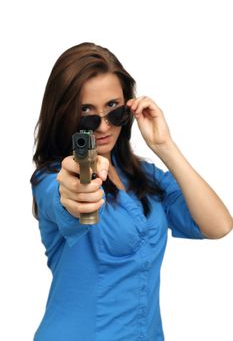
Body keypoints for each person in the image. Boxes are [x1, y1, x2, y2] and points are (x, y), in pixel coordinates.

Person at [30, 42, 233, 341]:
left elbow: (219, 225)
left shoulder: (146, 177)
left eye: (113, 109)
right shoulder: (51, 179)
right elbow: (64, 200)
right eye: (86, 112)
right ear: (65, 115)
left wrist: (165, 146)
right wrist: (76, 192)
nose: (102, 126)